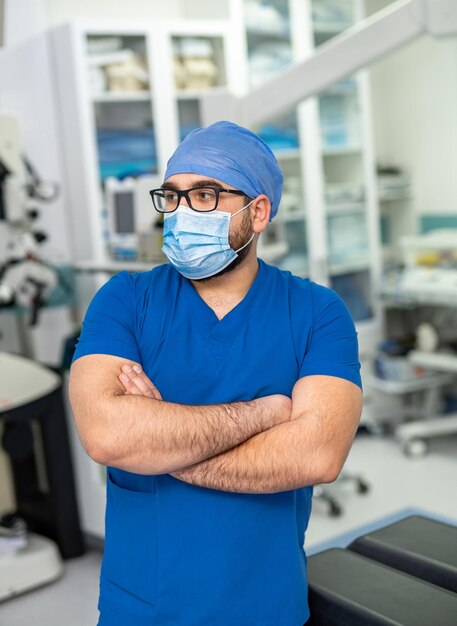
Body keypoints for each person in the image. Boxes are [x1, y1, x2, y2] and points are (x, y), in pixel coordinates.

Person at [69, 120, 363, 626]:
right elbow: (108, 436)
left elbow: (317, 455)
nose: (183, 212)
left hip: (266, 603)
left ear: (259, 211)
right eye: (173, 196)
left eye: (205, 195)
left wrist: (158, 442)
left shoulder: (317, 312)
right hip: (144, 605)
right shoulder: (125, 299)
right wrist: (262, 414)